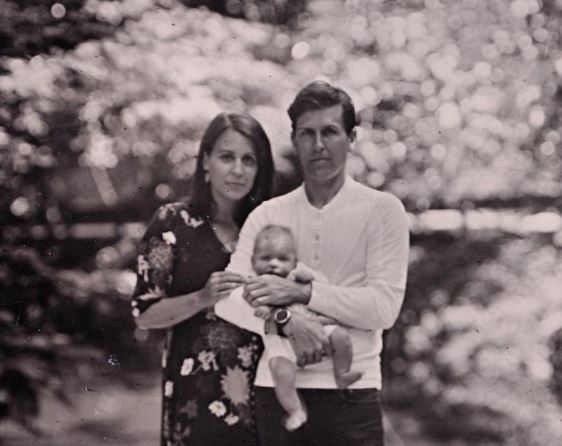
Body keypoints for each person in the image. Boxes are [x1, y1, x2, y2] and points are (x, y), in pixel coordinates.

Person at [215, 81, 410, 446]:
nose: (318, 145)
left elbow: (383, 308)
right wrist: (284, 321)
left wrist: (302, 294)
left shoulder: (382, 211)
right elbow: (227, 298)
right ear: (294, 139)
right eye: (307, 133)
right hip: (278, 392)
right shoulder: (268, 214)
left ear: (351, 138)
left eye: (330, 132)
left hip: (353, 391)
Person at [131, 112, 274, 446]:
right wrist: (201, 298)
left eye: (249, 160)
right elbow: (144, 313)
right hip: (195, 398)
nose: (238, 170)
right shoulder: (172, 223)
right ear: (206, 162)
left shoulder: (267, 229)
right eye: (227, 157)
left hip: (265, 393)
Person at [218, 224, 362, 431]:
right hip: (279, 340)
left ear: (294, 261)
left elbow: (322, 286)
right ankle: (295, 410)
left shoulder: (297, 277)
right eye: (265, 258)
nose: (274, 264)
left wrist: (306, 278)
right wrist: (264, 309)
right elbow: (247, 302)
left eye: (282, 259)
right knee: (280, 372)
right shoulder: (254, 283)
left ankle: (342, 373)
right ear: (253, 261)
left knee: (340, 337)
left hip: (313, 324)